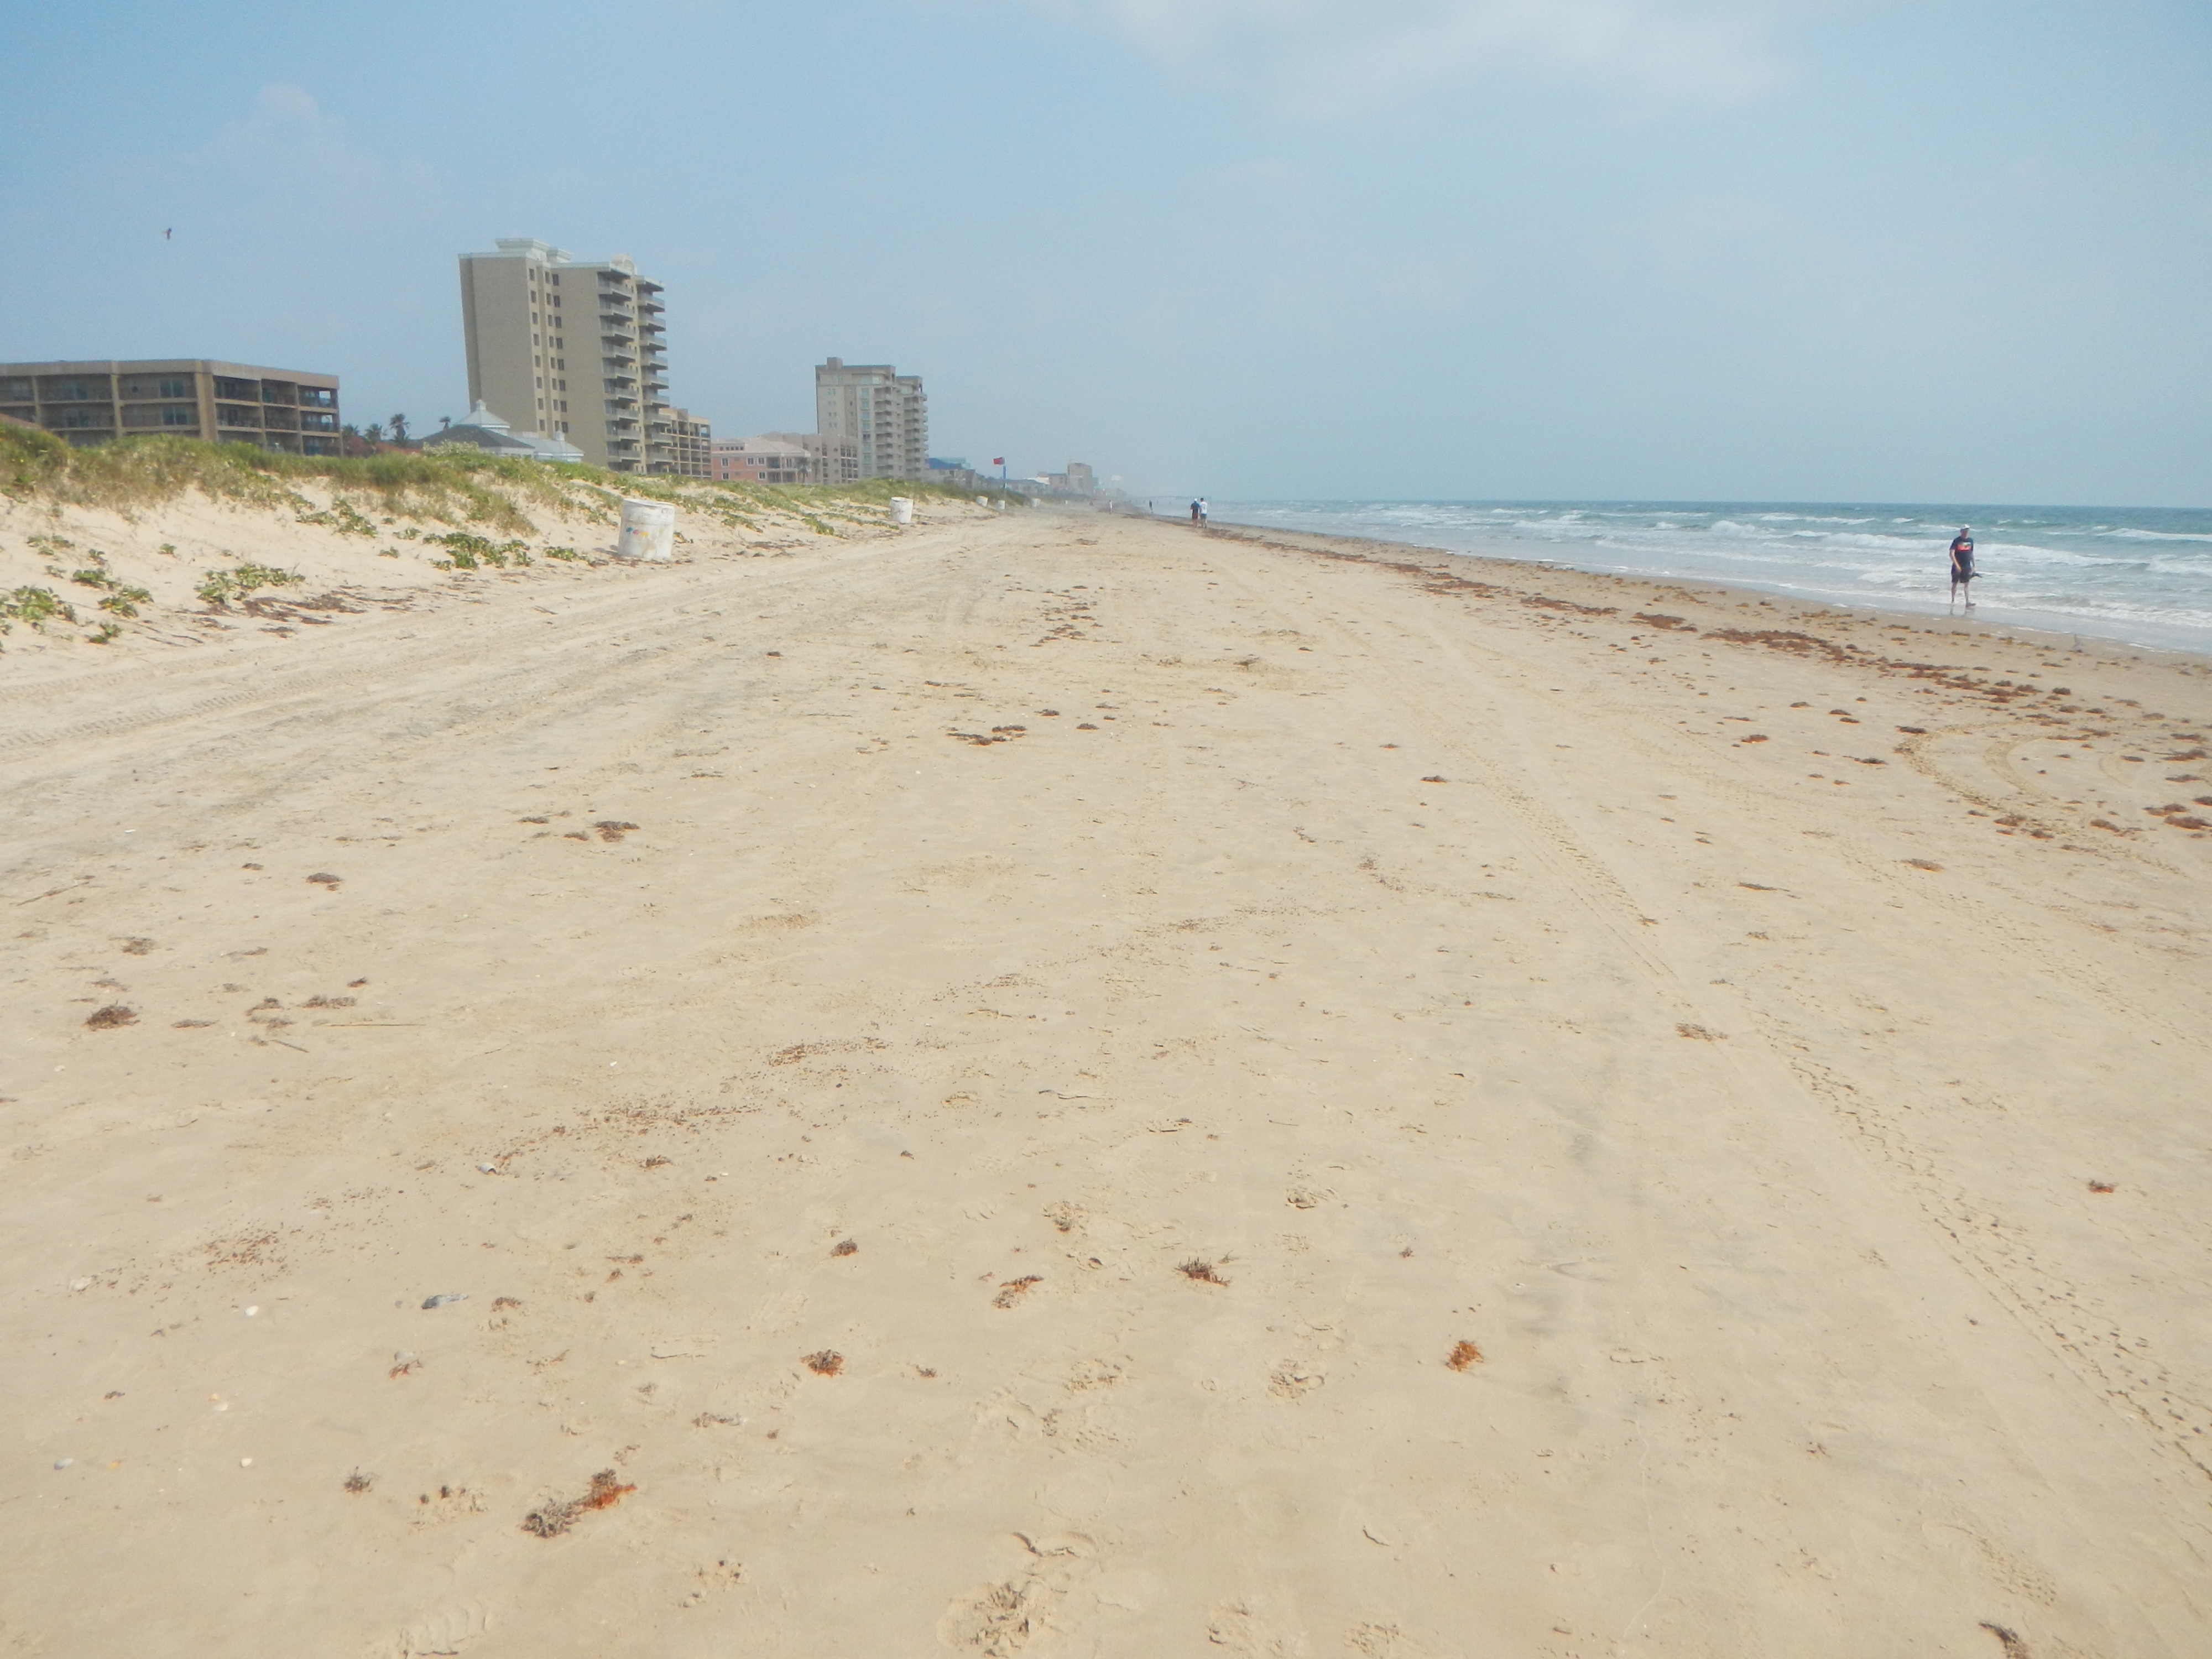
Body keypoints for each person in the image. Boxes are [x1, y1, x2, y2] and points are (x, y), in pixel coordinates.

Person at [1948, 526, 1975, 606]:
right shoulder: (1957, 541)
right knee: (1955, 583)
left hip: (1967, 565)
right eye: (1964, 530)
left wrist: (1974, 565)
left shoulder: (1971, 541)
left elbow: (1971, 553)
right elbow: (1951, 553)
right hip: (1957, 565)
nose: (1966, 532)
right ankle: (1953, 601)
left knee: (1967, 583)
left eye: (1967, 530)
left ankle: (1967, 601)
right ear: (1961, 531)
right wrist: (1957, 565)